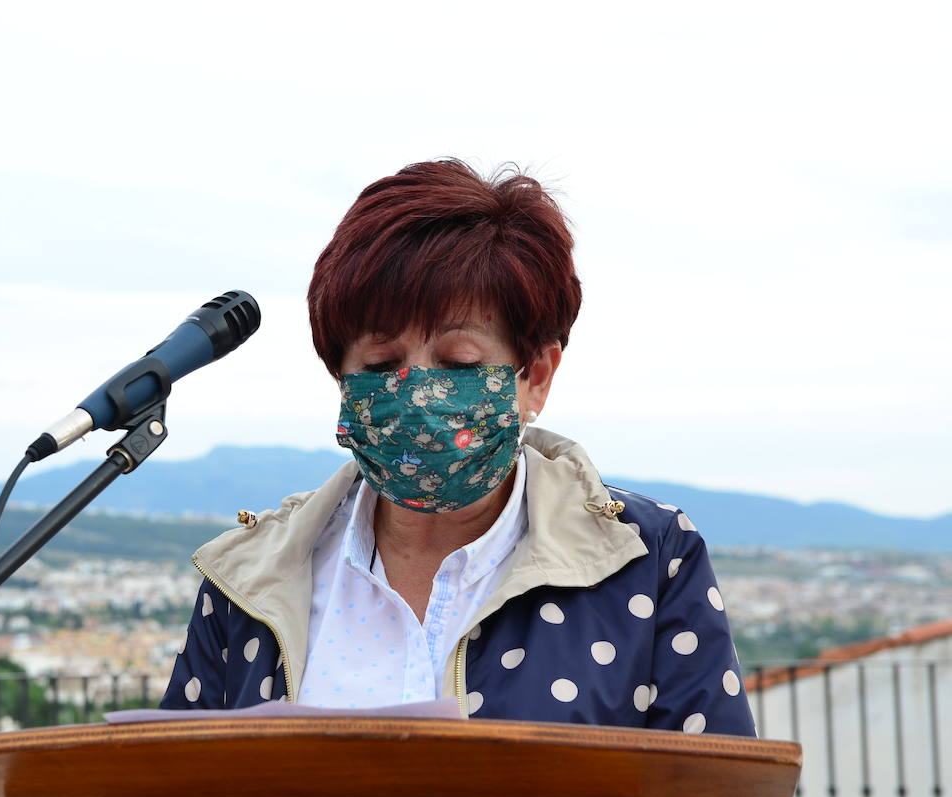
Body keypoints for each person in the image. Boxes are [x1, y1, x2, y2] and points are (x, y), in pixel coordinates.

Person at [160, 159, 755, 737]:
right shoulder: (252, 578)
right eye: (381, 364)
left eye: (458, 363)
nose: (418, 392)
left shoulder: (646, 560)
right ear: (341, 380)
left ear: (536, 376)